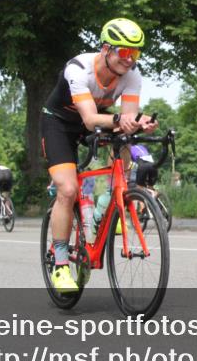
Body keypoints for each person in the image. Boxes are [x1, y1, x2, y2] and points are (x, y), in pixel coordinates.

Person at [42, 17, 157, 293]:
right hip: (60, 123)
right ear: (106, 49)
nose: (130, 60)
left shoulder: (132, 75)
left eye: (136, 53)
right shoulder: (79, 68)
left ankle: (107, 203)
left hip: (96, 119)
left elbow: (127, 118)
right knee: (68, 190)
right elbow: (91, 119)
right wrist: (123, 119)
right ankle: (59, 265)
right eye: (125, 52)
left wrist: (141, 121)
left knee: (127, 140)